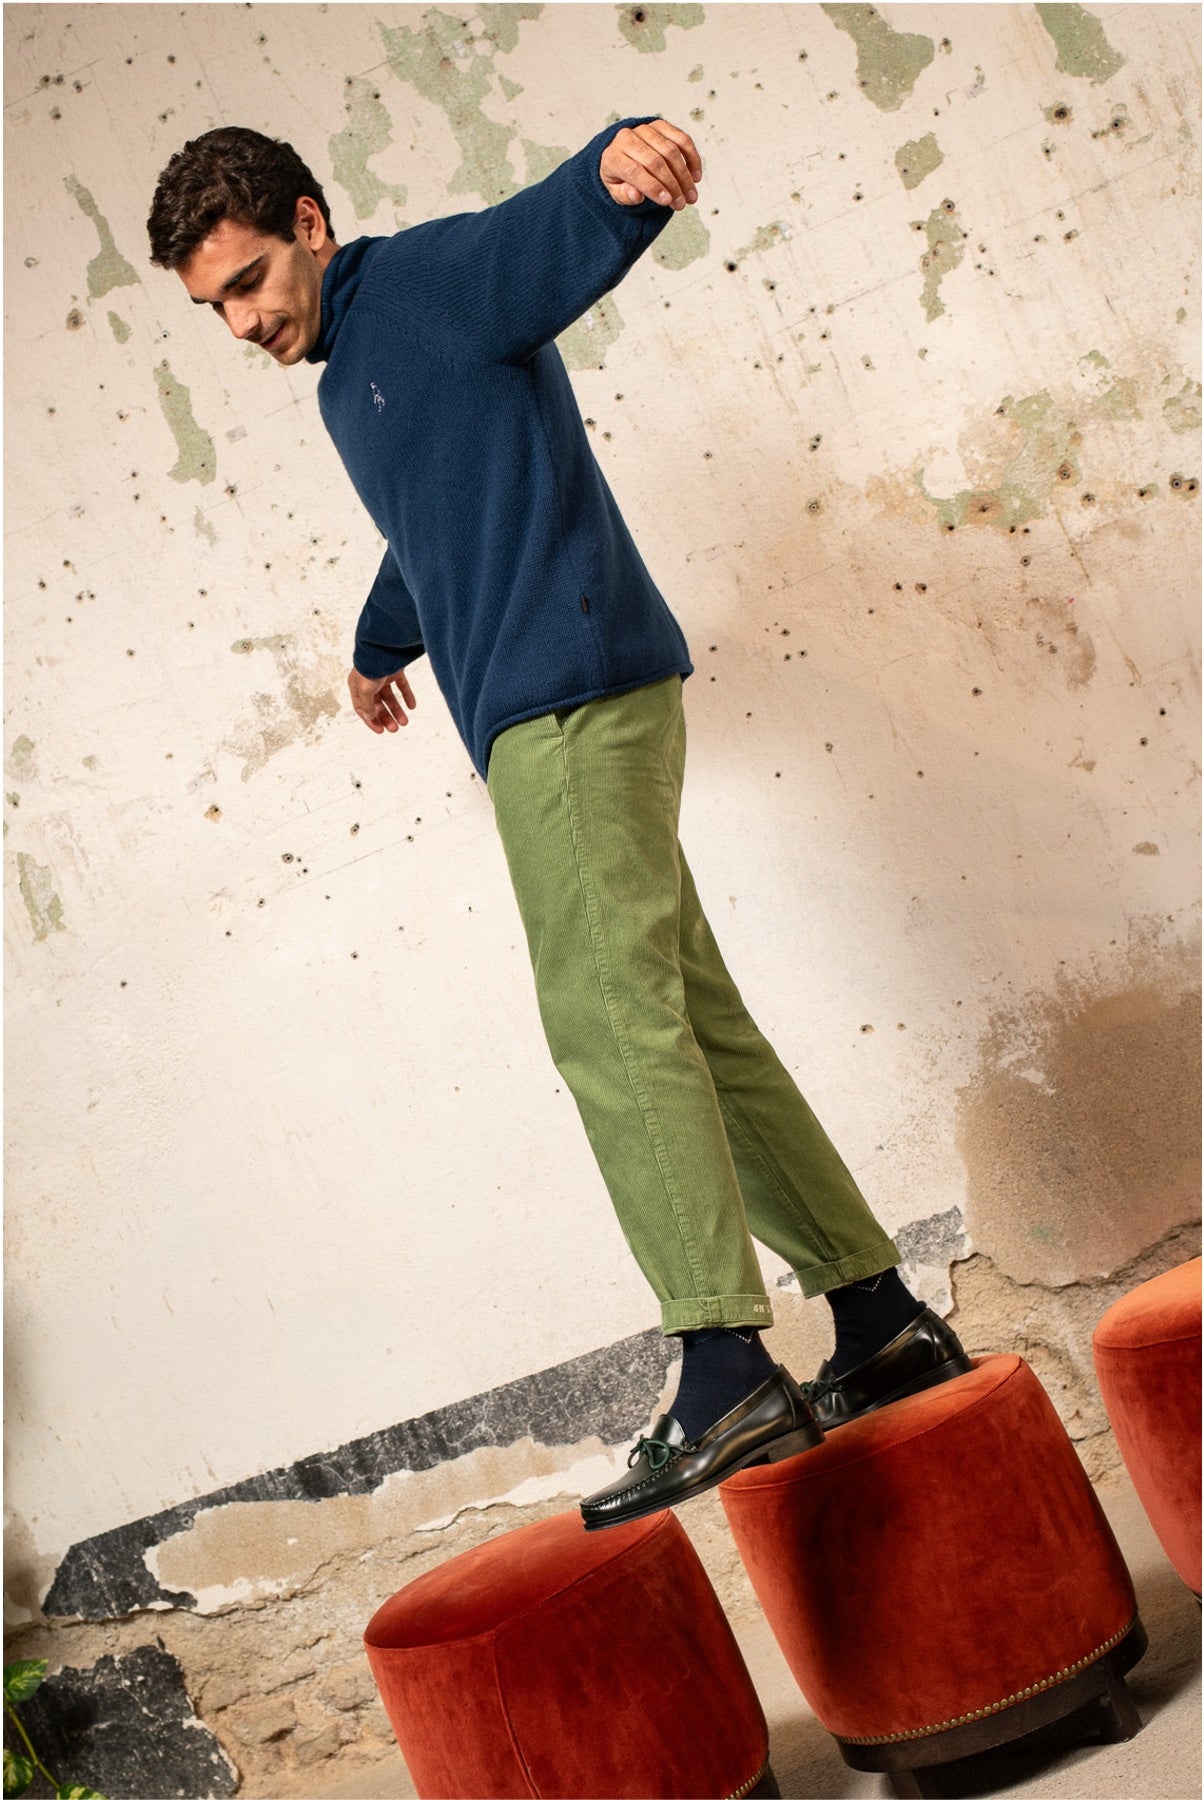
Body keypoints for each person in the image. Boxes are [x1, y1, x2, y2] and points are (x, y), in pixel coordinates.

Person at [146, 116, 970, 1532]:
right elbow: (432, 523)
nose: (240, 324)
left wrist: (614, 166)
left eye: (249, 283)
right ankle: (878, 1313)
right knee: (691, 1022)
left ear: (310, 224)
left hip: (565, 703)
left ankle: (725, 1367)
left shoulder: (427, 284)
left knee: (609, 1023)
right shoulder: (351, 386)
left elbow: (545, 231)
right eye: (213, 306)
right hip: (569, 698)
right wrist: (378, 644)